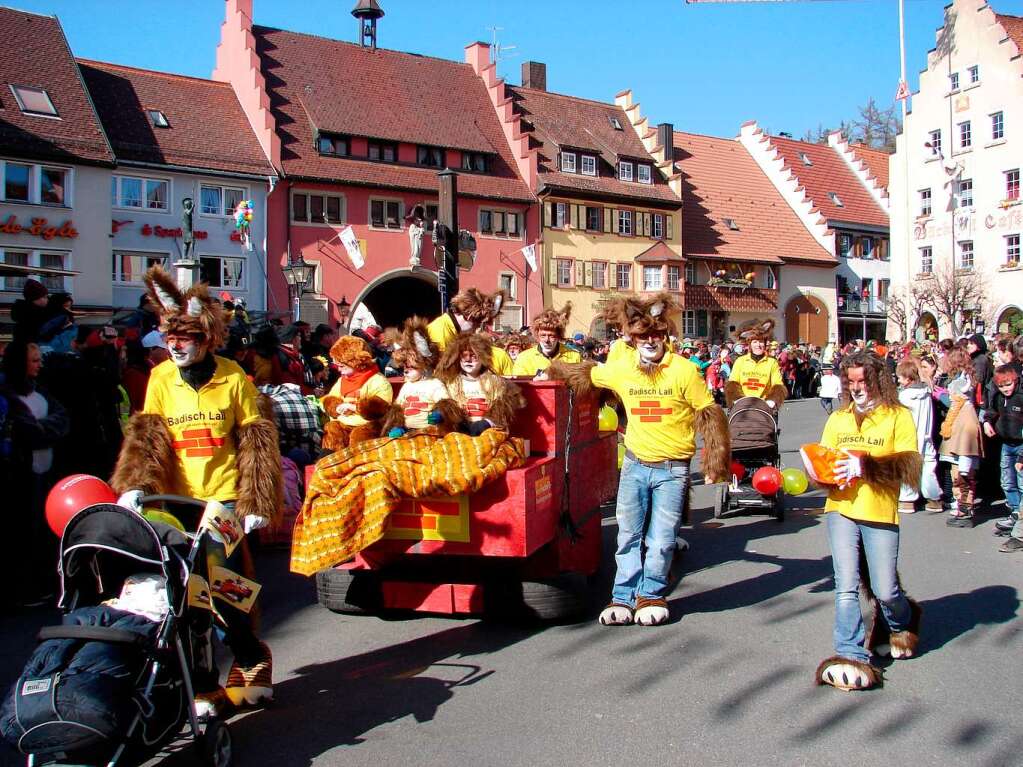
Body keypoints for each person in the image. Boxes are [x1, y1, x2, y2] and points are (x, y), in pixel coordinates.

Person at [111, 266, 282, 717]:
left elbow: (256, 438)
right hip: (173, 501)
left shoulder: (232, 377)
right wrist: (135, 487)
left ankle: (249, 654)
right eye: (171, 337)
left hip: (220, 499)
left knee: (224, 585)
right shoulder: (162, 379)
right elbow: (148, 436)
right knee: (187, 596)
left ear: (207, 338)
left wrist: (258, 499)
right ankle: (202, 682)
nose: (175, 345)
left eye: (185, 337)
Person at [544, 293, 729, 627]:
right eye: (643, 336)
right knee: (627, 536)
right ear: (633, 338)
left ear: (665, 336)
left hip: (673, 470)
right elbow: (585, 372)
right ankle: (622, 597)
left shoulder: (685, 371)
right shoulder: (623, 368)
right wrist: (550, 373)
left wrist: (715, 461)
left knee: (661, 539)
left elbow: (708, 412)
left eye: (656, 336)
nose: (649, 342)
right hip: (634, 465)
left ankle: (651, 594)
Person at [812, 351, 923, 692]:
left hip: (878, 511)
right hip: (841, 509)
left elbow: (909, 465)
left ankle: (902, 622)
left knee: (885, 589)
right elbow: (824, 456)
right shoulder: (839, 419)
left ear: (878, 380)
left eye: (864, 381)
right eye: (851, 381)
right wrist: (820, 472)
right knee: (845, 586)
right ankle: (850, 653)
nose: (857, 387)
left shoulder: (897, 415)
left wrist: (867, 467)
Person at [0, 341, 70, 607]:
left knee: (41, 533)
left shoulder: (41, 391)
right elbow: (28, 432)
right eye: (33, 360)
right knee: (20, 533)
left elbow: (62, 419)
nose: (39, 365)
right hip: (16, 476)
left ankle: (38, 585)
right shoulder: (6, 394)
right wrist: (41, 429)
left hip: (44, 472)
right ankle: (20, 591)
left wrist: (43, 428)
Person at [381, 317, 463, 436]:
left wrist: (440, 413)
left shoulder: (434, 384)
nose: (406, 372)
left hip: (428, 431)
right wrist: (397, 425)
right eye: (404, 368)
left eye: (411, 368)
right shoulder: (407, 386)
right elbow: (397, 409)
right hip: (407, 431)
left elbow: (445, 403)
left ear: (424, 366)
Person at [435, 332, 526, 435]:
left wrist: (487, 422)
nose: (468, 360)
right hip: (459, 432)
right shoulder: (451, 383)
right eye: (464, 355)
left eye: (473, 356)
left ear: (483, 358)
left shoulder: (495, 382)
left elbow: (504, 409)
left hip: (488, 432)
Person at [937, 349, 984, 528]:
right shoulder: (965, 379)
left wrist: (939, 394)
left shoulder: (961, 383)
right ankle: (963, 507)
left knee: (962, 471)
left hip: (962, 425)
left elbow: (954, 402)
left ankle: (965, 509)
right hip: (961, 423)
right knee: (959, 470)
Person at [320, 336, 393, 450]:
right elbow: (330, 399)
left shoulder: (377, 381)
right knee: (332, 431)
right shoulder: (342, 380)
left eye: (342, 366)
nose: (339, 370)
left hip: (365, 425)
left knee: (360, 437)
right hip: (343, 423)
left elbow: (381, 408)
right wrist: (336, 406)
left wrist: (354, 407)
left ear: (355, 362)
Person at [427, 288, 514, 375]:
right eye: (477, 323)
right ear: (470, 317)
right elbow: (443, 370)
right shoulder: (441, 332)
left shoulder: (450, 327)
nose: (476, 328)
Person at [984, 364, 1023, 550]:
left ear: (1015, 381)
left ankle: (1020, 522)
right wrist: (987, 421)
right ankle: (1015, 513)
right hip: (1006, 443)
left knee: (1022, 484)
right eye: (1001, 386)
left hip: (1021, 444)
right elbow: (992, 410)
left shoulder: (1020, 396)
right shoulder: (999, 396)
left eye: (1008, 385)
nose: (1005, 389)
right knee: (1007, 482)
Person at [895, 358, 941, 512]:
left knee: (909, 466)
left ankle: (907, 499)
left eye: (900, 378)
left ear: (908, 379)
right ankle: (933, 498)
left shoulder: (905, 396)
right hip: (927, 434)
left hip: (911, 434)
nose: (899, 381)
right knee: (928, 466)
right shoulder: (926, 392)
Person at [725, 318, 787, 409]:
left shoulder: (772, 362)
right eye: (755, 342)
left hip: (764, 406)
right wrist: (737, 399)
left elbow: (777, 384)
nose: (758, 345)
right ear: (750, 344)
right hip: (743, 405)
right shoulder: (740, 361)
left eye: (761, 341)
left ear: (765, 344)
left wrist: (772, 400)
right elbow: (733, 382)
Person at [512, 303, 581, 376]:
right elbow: (519, 385)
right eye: (543, 335)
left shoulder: (574, 357)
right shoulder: (524, 358)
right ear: (537, 335)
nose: (546, 340)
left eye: (551, 336)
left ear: (558, 336)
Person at [11, 279, 50, 344]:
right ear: (35, 298)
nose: (47, 300)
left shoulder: (25, 314)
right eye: (44, 297)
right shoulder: (32, 317)